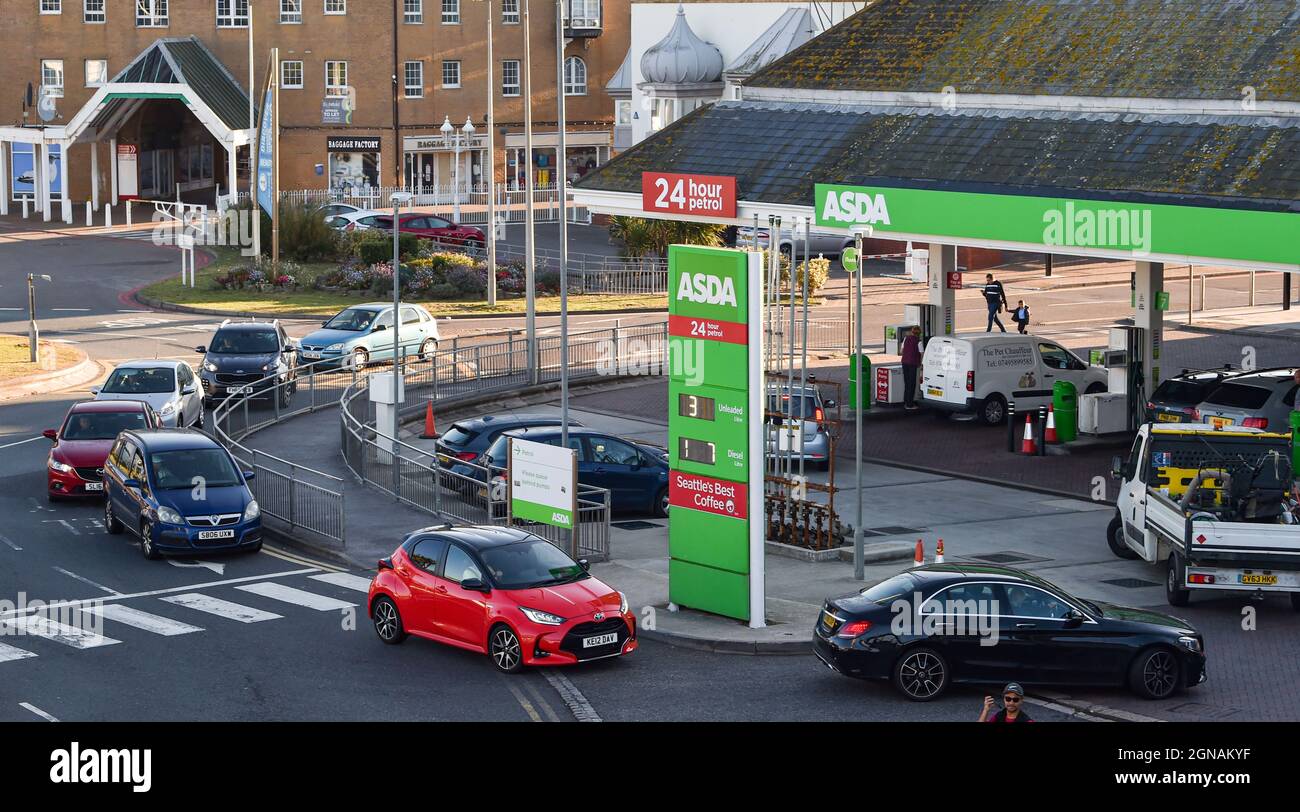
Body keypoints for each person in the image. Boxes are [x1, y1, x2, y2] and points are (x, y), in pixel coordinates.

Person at [900, 325, 923, 410]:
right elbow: (921, 353)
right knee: (912, 384)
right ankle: (910, 404)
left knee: (906, 383)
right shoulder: (919, 342)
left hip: (904, 362)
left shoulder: (906, 338)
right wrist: (920, 364)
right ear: (919, 333)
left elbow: (901, 351)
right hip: (913, 363)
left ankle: (906, 402)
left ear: (912, 332)